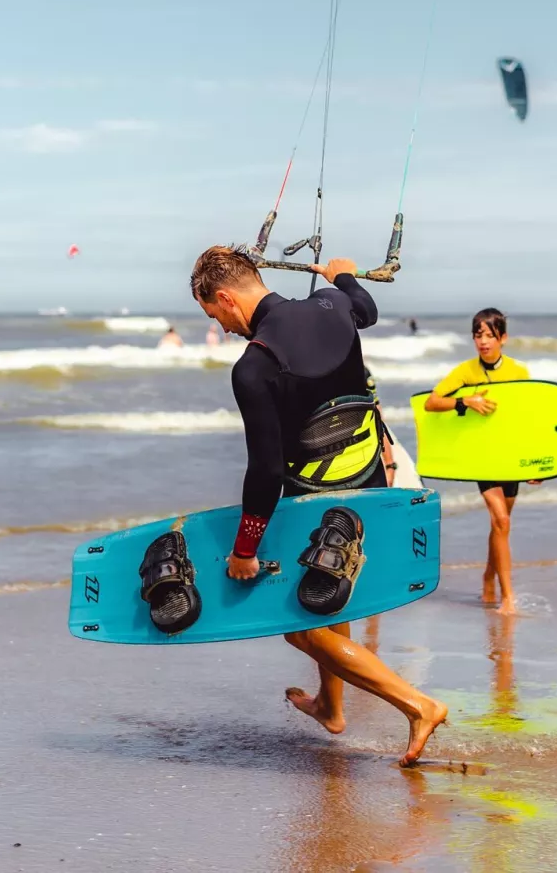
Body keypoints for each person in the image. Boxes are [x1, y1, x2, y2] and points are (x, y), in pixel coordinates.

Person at [191, 246, 448, 766]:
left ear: (224, 297)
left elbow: (264, 472)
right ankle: (331, 707)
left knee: (299, 625)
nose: (221, 326)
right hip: (371, 480)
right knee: (331, 602)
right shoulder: (331, 305)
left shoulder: (255, 366)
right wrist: (344, 276)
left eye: (214, 314)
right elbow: (366, 310)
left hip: (317, 502)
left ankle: (417, 705)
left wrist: (245, 549)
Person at [421, 308, 531, 615]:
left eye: (489, 336)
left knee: (501, 526)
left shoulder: (519, 373)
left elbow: (527, 420)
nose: (483, 342)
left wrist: (533, 466)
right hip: (482, 458)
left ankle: (487, 577)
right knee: (502, 521)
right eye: (478, 335)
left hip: (509, 457)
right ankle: (508, 597)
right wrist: (465, 401)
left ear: (503, 338)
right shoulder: (466, 371)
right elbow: (432, 402)